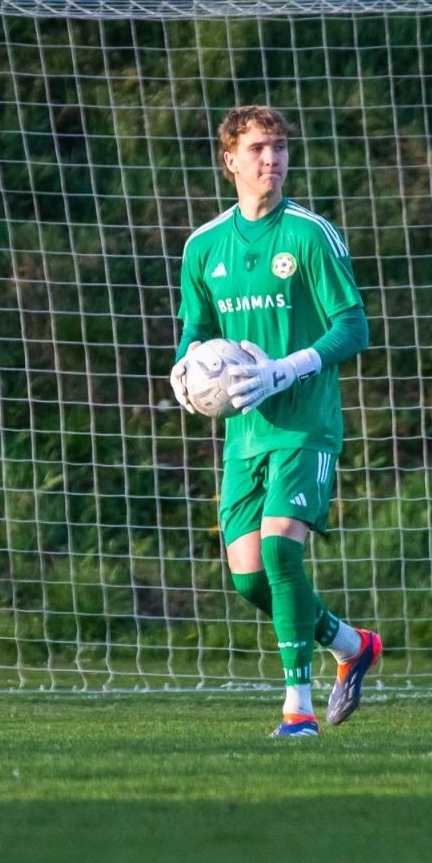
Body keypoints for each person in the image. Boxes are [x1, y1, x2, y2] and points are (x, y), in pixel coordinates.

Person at [169, 104, 381, 737]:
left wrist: (288, 368)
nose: (273, 159)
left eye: (280, 148)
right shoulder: (204, 246)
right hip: (246, 435)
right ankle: (351, 644)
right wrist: (184, 372)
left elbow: (354, 325)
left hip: (305, 424)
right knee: (249, 581)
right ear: (230, 159)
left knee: (281, 557)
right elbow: (196, 331)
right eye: (259, 149)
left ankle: (298, 708)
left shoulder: (310, 235)